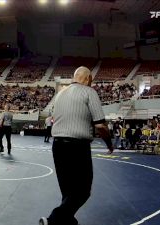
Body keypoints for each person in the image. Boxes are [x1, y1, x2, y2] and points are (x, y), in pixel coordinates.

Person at [39, 66, 113, 225]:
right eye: (91, 80)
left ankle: (69, 222)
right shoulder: (89, 92)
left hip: (58, 146)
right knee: (83, 191)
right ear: (88, 79)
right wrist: (109, 144)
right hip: (77, 147)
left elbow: (52, 118)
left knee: (67, 191)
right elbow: (100, 126)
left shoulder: (60, 94)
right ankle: (52, 221)